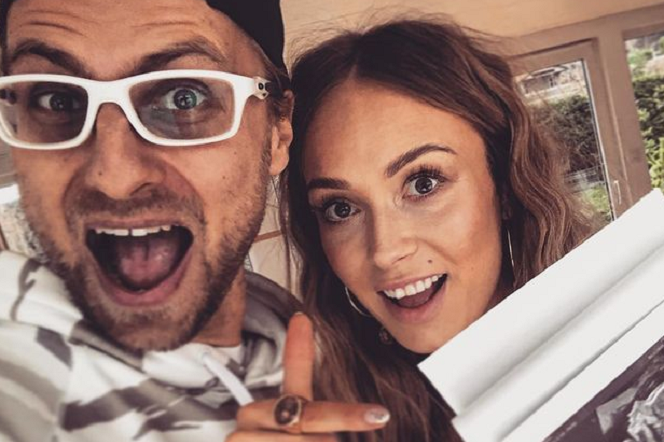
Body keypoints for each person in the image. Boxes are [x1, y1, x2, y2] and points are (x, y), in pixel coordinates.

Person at [0, 0, 388, 440]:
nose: (115, 177)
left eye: (183, 98)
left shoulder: (326, 348)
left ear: (278, 133)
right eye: (56, 100)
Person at [278, 18, 595, 442]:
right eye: (341, 208)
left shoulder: (637, 345)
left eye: (423, 183)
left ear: (504, 186)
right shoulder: (337, 420)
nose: (385, 250)